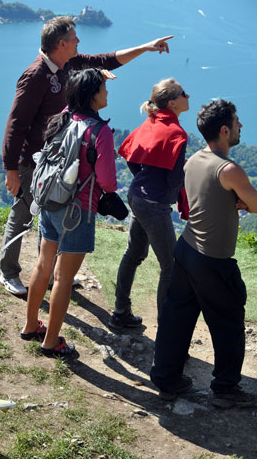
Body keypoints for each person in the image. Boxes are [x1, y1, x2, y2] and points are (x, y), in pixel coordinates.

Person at [0, 15, 172, 295]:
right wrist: (11, 168)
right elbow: (16, 123)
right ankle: (8, 272)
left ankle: (56, 275)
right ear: (61, 43)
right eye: (74, 38)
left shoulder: (68, 64)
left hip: (57, 158)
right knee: (22, 214)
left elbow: (106, 60)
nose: (79, 41)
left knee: (53, 213)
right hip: (33, 160)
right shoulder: (36, 76)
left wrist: (146, 46)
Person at [150, 99, 257, 408]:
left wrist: (233, 200)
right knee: (227, 322)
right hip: (213, 259)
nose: (241, 126)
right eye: (237, 122)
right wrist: (241, 200)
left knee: (176, 318)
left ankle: (166, 379)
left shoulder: (194, 160)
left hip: (185, 249)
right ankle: (226, 388)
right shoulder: (230, 170)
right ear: (225, 130)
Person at [20, 68, 116, 357]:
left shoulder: (61, 119)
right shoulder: (100, 132)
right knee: (63, 278)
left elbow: (71, 101)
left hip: (50, 200)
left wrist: (91, 76)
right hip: (79, 210)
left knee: (43, 264)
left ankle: (30, 326)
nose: (107, 92)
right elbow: (108, 181)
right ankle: (51, 343)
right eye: (102, 88)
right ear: (92, 95)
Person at [108, 78, 190, 329]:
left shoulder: (151, 122)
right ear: (173, 102)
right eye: (184, 93)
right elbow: (175, 179)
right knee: (171, 267)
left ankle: (120, 312)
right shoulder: (177, 134)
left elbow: (130, 154)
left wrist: (144, 179)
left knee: (134, 254)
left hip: (137, 196)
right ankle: (167, 335)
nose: (189, 95)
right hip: (154, 204)